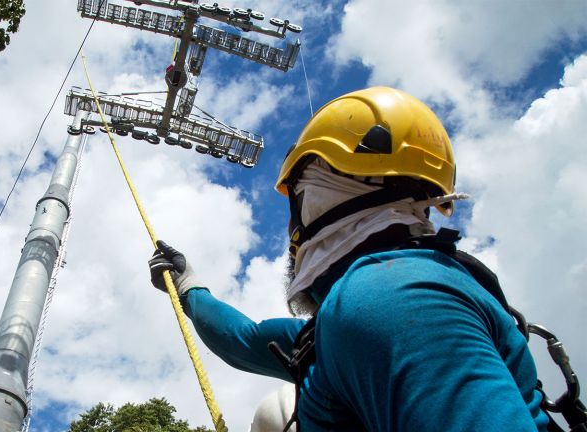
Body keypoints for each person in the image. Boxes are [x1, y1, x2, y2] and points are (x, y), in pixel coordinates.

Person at [148, 87, 548, 431]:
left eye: (296, 203)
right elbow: (246, 340)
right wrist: (189, 285)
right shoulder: (351, 318)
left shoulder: (390, 297)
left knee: (278, 414)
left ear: (320, 193)